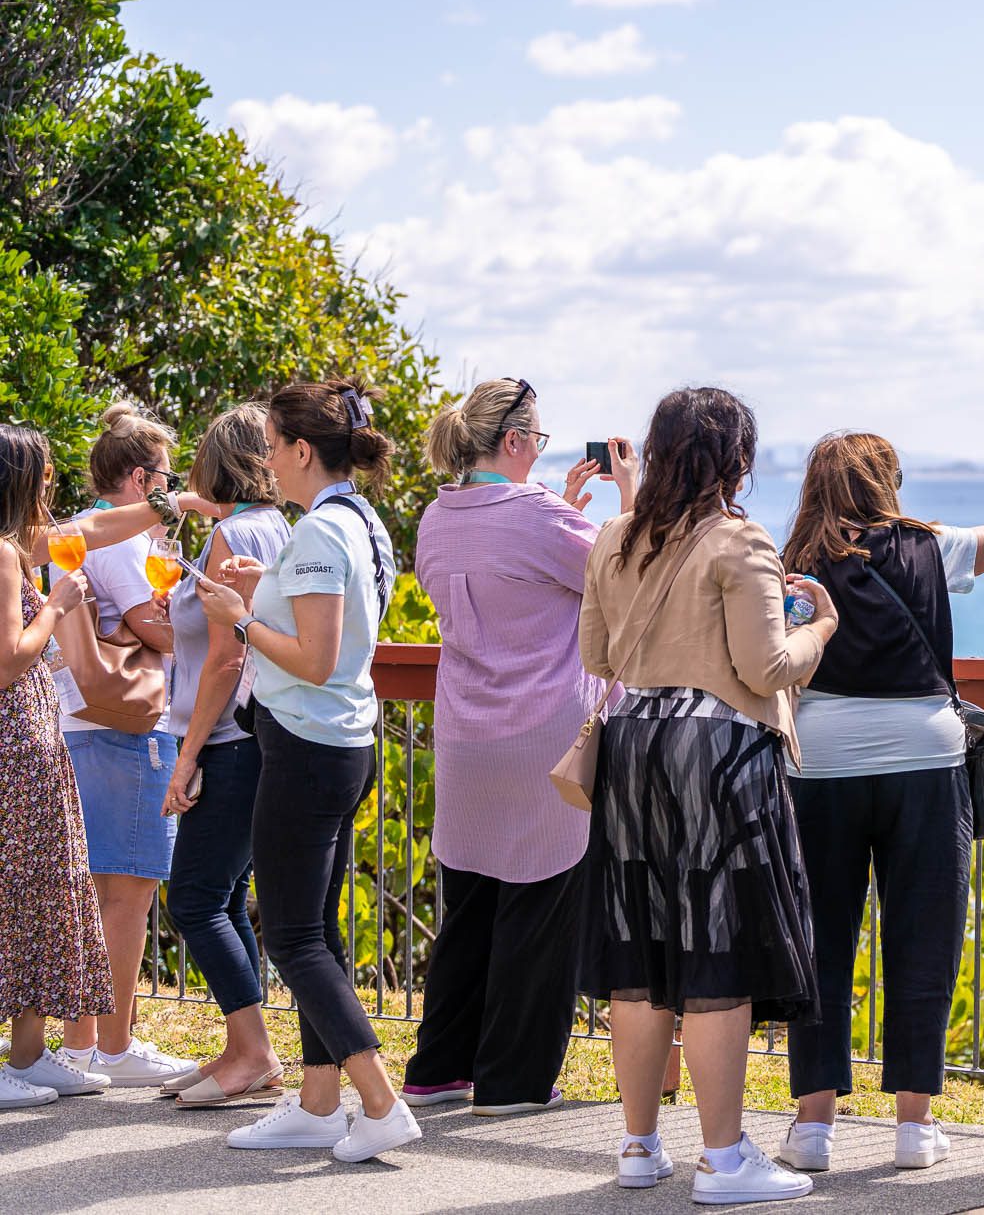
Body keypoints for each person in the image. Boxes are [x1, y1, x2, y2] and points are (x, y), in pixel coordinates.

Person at [777, 432, 984, 1175]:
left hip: (822, 764)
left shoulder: (793, 564)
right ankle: (914, 1123)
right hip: (925, 758)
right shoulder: (929, 549)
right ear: (889, 483)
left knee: (821, 940)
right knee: (924, 937)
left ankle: (813, 1124)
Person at [578, 386, 837, 1202]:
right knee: (714, 949)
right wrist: (818, 628)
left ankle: (637, 1145)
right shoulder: (740, 541)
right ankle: (723, 1159)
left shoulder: (615, 538)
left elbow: (597, 651)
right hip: (716, 752)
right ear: (736, 459)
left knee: (642, 950)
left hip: (634, 744)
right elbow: (766, 668)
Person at [192, 379, 421, 1162]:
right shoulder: (356, 518)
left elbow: (318, 660)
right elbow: (340, 629)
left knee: (291, 937)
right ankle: (319, 1100)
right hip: (342, 742)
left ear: (299, 449)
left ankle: (379, 1100)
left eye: (269, 445)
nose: (266, 462)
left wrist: (242, 618)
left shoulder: (321, 532)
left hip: (308, 742)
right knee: (313, 927)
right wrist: (270, 598)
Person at [399, 378, 637, 1117]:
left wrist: (560, 511)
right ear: (513, 441)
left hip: (468, 731)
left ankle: (439, 1063)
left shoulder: (437, 516)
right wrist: (629, 497)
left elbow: (511, 577)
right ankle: (513, 1078)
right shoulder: (535, 515)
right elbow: (626, 579)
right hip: (541, 732)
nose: (539, 451)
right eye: (536, 438)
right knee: (543, 900)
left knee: (470, 900)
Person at [2, 424, 216, 1108]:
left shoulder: (18, 545)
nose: (50, 492)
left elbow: (96, 528)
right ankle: (26, 1058)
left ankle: (32, 1055)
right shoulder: (5, 557)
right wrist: (60, 607)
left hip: (42, 734)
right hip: (17, 740)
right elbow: (9, 659)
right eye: (42, 479)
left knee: (45, 893)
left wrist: (174, 503)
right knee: (26, 897)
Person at [57, 403, 199, 1088]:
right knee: (130, 889)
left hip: (81, 722)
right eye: (168, 478)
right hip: (125, 726)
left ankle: (86, 1040)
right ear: (144, 478)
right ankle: (111, 1042)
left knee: (96, 888)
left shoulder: (88, 531)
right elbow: (159, 627)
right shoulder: (123, 543)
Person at [158, 405, 293, 1107]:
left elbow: (222, 657)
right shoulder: (274, 526)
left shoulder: (228, 534)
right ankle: (245, 1046)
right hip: (262, 731)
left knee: (192, 898)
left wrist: (186, 756)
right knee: (224, 895)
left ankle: (255, 1050)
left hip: (228, 736)